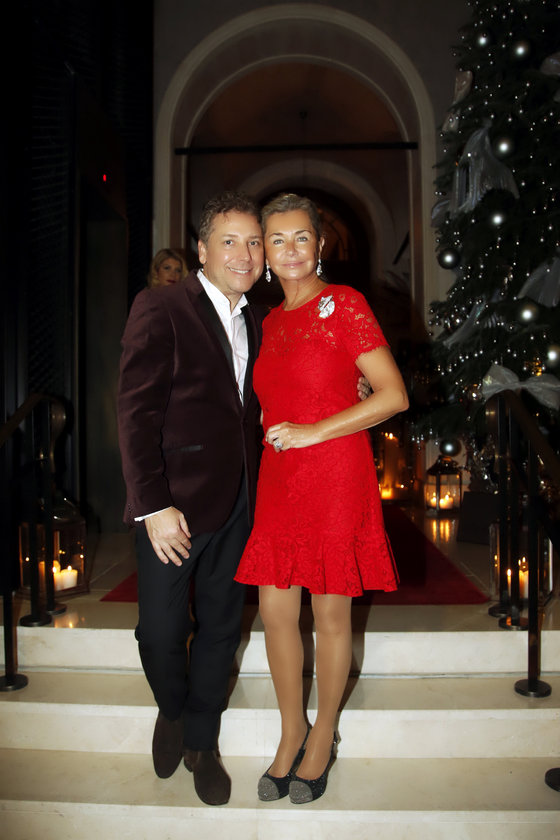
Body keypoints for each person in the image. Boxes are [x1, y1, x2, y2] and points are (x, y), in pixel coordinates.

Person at [235, 193, 409, 805]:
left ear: (320, 244)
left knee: (331, 616)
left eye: (300, 237)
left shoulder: (346, 304)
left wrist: (315, 430)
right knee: (276, 612)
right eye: (276, 239)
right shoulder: (269, 321)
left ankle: (323, 735)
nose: (289, 250)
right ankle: (292, 731)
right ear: (264, 250)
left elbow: (393, 395)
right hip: (281, 480)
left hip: (336, 474)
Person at [117, 191, 265, 806]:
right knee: (159, 632)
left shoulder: (261, 319)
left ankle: (201, 742)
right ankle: (171, 710)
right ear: (202, 249)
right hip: (172, 507)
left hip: (241, 501)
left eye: (253, 242)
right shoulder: (161, 306)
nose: (244, 254)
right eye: (229, 241)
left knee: (222, 628)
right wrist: (152, 506)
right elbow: (135, 413)